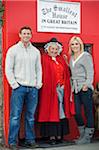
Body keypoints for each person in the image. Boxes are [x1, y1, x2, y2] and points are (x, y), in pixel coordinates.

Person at [5, 26, 42, 150]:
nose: (26, 35)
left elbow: (38, 69)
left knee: (30, 116)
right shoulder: (13, 50)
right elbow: (8, 69)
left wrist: (38, 84)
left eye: (28, 33)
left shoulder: (35, 51)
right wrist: (14, 84)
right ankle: (12, 142)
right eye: (24, 33)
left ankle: (30, 140)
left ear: (31, 36)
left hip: (33, 88)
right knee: (15, 116)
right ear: (20, 35)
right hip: (19, 88)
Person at [38, 38, 75, 145]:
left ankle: (60, 135)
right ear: (48, 49)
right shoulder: (43, 59)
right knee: (51, 111)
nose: (54, 51)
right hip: (49, 89)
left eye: (56, 49)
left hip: (62, 89)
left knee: (61, 111)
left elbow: (67, 73)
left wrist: (64, 85)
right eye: (52, 48)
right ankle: (52, 136)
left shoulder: (61, 59)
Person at [69, 36, 94, 144]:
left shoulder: (86, 56)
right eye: (73, 44)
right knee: (77, 112)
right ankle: (82, 134)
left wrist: (87, 84)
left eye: (77, 44)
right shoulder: (71, 57)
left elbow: (90, 71)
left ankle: (87, 137)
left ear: (80, 45)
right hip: (75, 88)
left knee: (88, 112)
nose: (75, 46)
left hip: (84, 87)